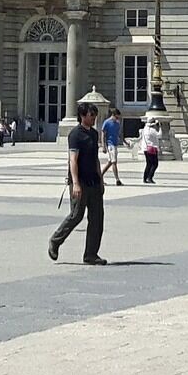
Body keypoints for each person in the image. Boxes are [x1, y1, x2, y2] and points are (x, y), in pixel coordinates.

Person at [47, 100, 107, 265]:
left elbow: (95, 159)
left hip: (94, 182)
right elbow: (73, 160)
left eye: (95, 115)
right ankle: (55, 240)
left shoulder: (94, 134)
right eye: (91, 115)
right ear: (82, 116)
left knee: (97, 218)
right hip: (79, 181)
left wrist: (101, 179)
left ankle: (91, 254)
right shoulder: (75, 134)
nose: (94, 117)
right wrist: (76, 183)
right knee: (76, 215)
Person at [101, 112, 126, 186]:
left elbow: (120, 134)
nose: (118, 119)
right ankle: (117, 180)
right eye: (117, 117)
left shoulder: (117, 123)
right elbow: (103, 134)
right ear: (113, 115)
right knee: (114, 162)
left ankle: (100, 176)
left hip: (115, 144)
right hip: (110, 144)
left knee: (110, 162)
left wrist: (125, 142)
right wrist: (103, 145)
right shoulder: (107, 122)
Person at [140, 117, 164, 184]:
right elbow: (160, 135)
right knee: (155, 164)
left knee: (148, 164)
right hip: (152, 148)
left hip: (145, 148)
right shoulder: (152, 130)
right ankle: (150, 177)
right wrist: (160, 128)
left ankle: (145, 178)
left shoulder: (144, 129)